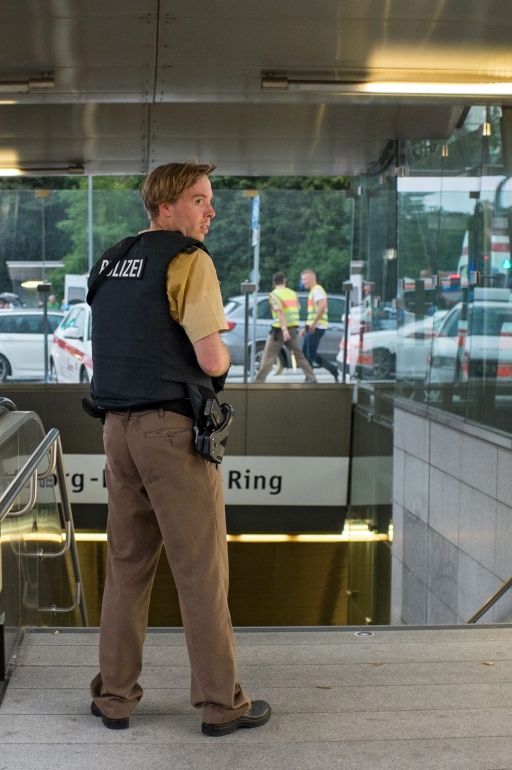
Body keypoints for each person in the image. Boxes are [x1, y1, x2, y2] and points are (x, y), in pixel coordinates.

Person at [84, 162, 271, 736]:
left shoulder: (112, 260)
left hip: (117, 429)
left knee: (126, 567)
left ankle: (113, 698)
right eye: (199, 200)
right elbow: (212, 359)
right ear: (166, 207)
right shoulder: (187, 261)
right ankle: (220, 705)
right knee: (200, 571)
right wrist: (226, 360)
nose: (210, 210)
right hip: (170, 431)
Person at [255, 272, 316, 383]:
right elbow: (297, 308)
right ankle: (311, 378)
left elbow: (280, 312)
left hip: (279, 331)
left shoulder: (274, 295)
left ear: (274, 283)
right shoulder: (293, 294)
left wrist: (284, 329)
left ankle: (258, 382)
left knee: (269, 356)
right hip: (292, 329)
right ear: (284, 281)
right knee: (299, 355)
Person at [299, 268, 339, 381]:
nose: (303, 282)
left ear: (312, 278)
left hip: (317, 327)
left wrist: (313, 324)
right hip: (313, 327)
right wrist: (305, 327)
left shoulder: (317, 290)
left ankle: (313, 377)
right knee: (307, 354)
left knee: (309, 354)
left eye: (305, 279)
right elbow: (312, 313)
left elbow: (322, 306)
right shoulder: (313, 291)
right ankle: (313, 376)